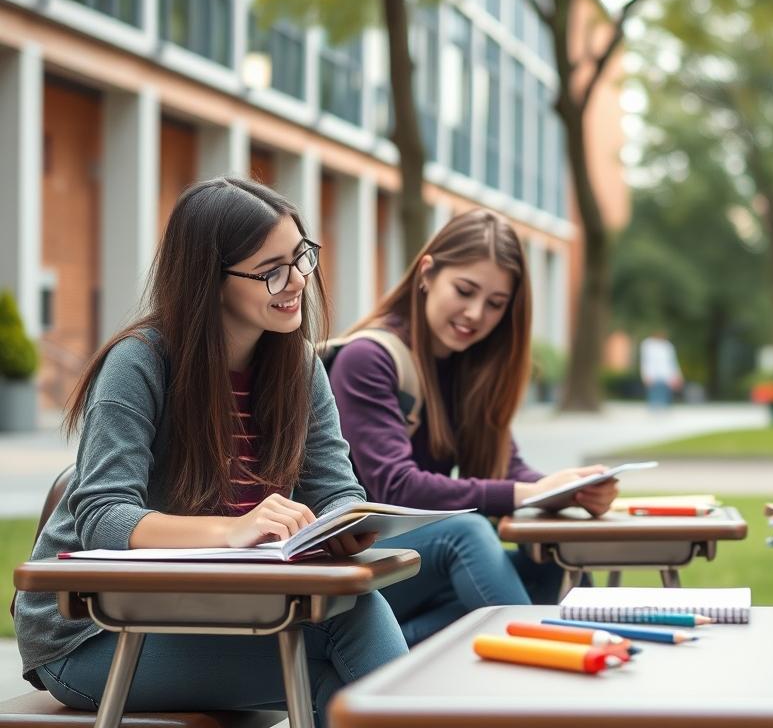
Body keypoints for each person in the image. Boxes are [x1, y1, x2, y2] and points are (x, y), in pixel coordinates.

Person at [14, 178, 407, 724]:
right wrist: (234, 528)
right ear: (210, 281)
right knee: (343, 653)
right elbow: (103, 518)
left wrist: (346, 523)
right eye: (271, 270)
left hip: (207, 609)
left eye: (301, 258)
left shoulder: (298, 368)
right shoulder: (139, 364)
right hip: (91, 634)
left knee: (352, 623)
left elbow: (336, 489)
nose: (295, 282)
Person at [327, 210, 618, 646]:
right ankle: (544, 691)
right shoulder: (368, 358)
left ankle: (397, 654)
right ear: (427, 273)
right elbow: (396, 489)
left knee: (550, 566)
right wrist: (528, 494)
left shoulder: (469, 367)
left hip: (417, 572)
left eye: (496, 304)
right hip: (356, 569)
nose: (475, 314)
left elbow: (507, 471)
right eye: (464, 291)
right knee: (468, 534)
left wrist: (571, 489)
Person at [639, 330, 683, 410]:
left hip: (666, 377)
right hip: (653, 376)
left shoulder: (668, 346)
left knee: (665, 400)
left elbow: (672, 363)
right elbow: (645, 361)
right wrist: (645, 375)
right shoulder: (648, 344)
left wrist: (677, 377)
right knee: (654, 400)